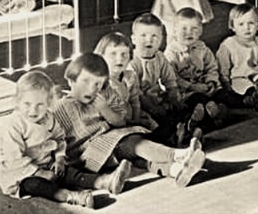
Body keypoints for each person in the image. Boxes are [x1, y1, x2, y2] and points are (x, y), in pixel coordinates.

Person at [53, 53, 206, 189]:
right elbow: (57, 139)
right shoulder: (61, 107)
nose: (92, 89)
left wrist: (105, 108)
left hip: (114, 143)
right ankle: (179, 155)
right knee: (135, 144)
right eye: (85, 81)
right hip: (91, 154)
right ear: (71, 81)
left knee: (138, 157)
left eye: (97, 84)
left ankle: (176, 170)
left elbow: (120, 122)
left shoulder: (104, 96)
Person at [0, 71, 98, 208]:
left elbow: (59, 138)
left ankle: (102, 181)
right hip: (20, 173)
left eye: (40, 105)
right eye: (27, 104)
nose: (33, 110)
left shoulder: (49, 118)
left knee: (68, 171)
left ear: (48, 102)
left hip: (46, 163)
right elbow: (14, 158)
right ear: (17, 101)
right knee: (36, 185)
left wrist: (60, 158)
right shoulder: (13, 125)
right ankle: (72, 196)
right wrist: (38, 172)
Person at [164, 7, 227, 135]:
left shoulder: (203, 49)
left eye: (194, 29)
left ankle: (208, 115)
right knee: (196, 100)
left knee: (223, 94)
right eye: (184, 29)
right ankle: (209, 115)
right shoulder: (171, 52)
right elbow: (172, 77)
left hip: (204, 86)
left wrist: (211, 82)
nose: (189, 33)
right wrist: (192, 86)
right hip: (185, 92)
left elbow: (211, 67)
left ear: (200, 31)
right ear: (174, 30)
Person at [128, 13, 186, 146]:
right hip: (140, 104)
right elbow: (136, 93)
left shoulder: (160, 57)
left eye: (155, 36)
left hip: (158, 99)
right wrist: (153, 108)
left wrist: (174, 97)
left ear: (161, 40)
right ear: (134, 39)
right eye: (143, 36)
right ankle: (169, 137)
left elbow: (169, 80)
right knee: (153, 122)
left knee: (181, 108)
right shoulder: (132, 62)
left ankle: (186, 127)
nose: (149, 40)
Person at [216, 3, 258, 113]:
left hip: (257, 77)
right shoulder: (228, 45)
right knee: (250, 91)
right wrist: (226, 85)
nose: (247, 28)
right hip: (239, 78)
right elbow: (223, 68)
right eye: (241, 24)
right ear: (232, 26)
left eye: (251, 23)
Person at [94, 31, 159, 130]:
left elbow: (135, 101)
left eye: (124, 54)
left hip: (131, 115)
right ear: (102, 56)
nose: (119, 59)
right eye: (113, 54)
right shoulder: (102, 81)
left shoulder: (130, 76)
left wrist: (136, 120)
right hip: (112, 119)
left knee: (153, 125)